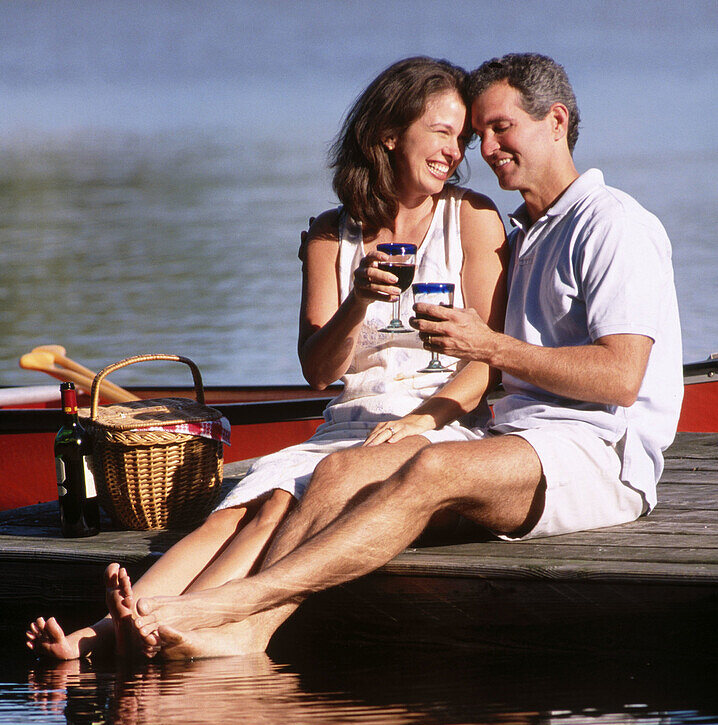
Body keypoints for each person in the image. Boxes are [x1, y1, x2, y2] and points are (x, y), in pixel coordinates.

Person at [116, 50, 683, 662]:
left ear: (556, 121)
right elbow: (325, 364)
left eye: (500, 128)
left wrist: (486, 349)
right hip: (522, 441)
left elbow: (622, 379)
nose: (485, 150)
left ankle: (229, 607)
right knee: (334, 475)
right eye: (477, 133)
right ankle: (247, 632)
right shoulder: (532, 231)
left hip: (601, 453)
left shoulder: (613, 224)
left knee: (429, 468)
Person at [26, 55, 507, 662]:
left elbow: (488, 361)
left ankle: (169, 625)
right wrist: (357, 300)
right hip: (350, 424)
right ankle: (108, 629)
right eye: (442, 132)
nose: (456, 152)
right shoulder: (333, 234)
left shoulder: (472, 219)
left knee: (283, 503)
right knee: (248, 508)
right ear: (388, 132)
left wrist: (424, 419)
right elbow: (320, 370)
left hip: (441, 423)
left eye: (461, 138)